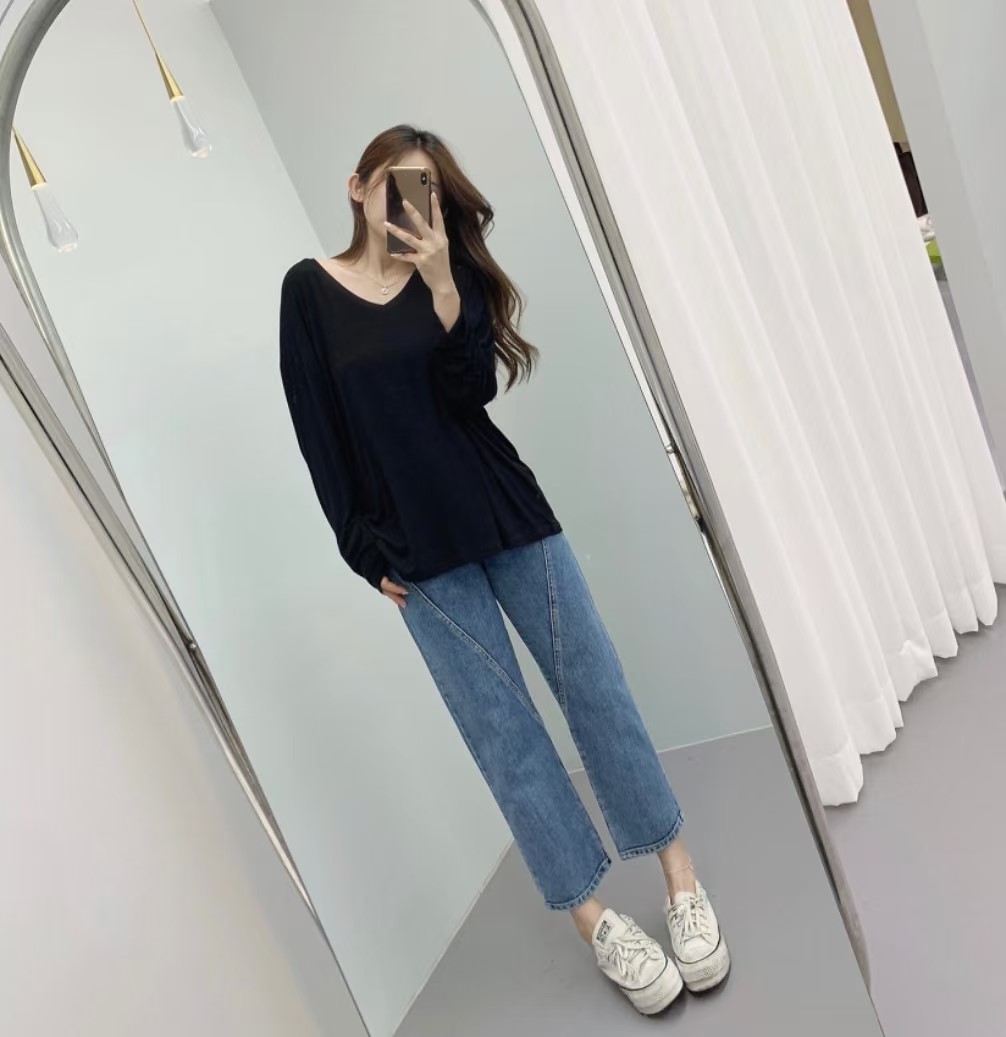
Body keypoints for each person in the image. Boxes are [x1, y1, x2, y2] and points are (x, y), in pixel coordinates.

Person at [279, 124, 730, 1014]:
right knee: (506, 739)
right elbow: (317, 432)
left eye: (427, 189)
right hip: (416, 553)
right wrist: (361, 551)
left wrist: (446, 282)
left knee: (595, 688)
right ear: (357, 184)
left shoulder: (449, 276)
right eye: (396, 182)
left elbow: (471, 393)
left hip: (509, 514)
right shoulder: (308, 291)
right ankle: (594, 920)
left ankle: (679, 873)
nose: (411, 202)